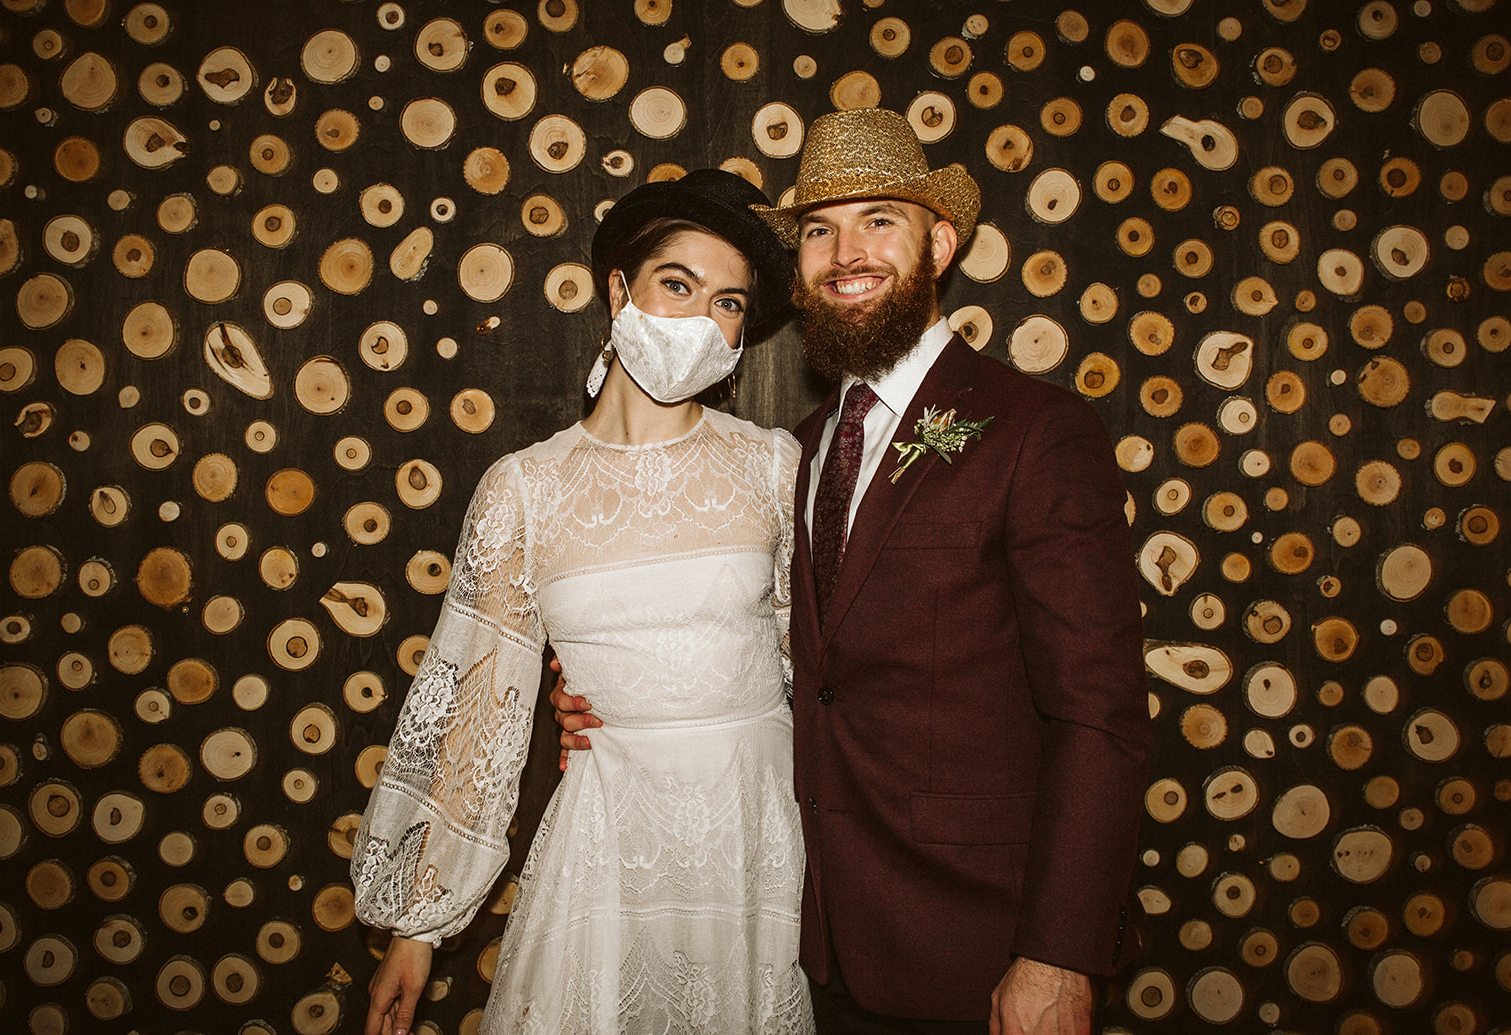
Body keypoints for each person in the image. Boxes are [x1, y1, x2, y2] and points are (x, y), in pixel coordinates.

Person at [556, 109, 1150, 1034]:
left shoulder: (1036, 430)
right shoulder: (788, 453)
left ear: (939, 242)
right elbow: (763, 649)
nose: (846, 253)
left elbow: (1098, 710)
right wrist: (604, 697)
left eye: (880, 219)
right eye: (820, 231)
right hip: (801, 934)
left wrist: (1059, 953)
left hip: (980, 949)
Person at [352, 168, 815, 1035]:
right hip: (607, 849)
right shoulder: (523, 489)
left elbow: (827, 673)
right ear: (618, 291)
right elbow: (474, 710)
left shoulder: (773, 467)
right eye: (676, 284)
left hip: (756, 839)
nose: (700, 320)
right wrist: (415, 927)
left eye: (728, 303)